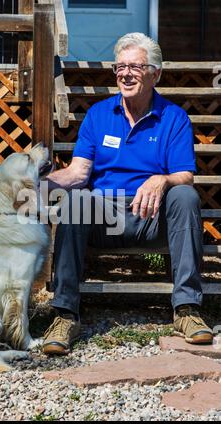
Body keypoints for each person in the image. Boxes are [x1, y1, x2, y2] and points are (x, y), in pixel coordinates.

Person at [42, 32, 213, 355]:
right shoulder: (99, 115)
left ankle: (187, 309)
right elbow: (78, 173)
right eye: (120, 67)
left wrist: (161, 180)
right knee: (77, 201)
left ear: (155, 74)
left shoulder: (173, 117)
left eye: (135, 66)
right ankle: (65, 314)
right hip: (105, 219)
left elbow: (185, 175)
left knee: (185, 195)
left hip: (152, 218)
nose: (125, 74)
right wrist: (35, 187)